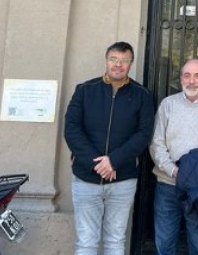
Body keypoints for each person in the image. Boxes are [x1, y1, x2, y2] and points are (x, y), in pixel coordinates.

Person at [63, 41, 155, 255]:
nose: (118, 65)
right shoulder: (85, 90)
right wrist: (99, 164)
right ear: (106, 60)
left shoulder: (142, 95)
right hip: (86, 178)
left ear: (131, 64)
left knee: (115, 240)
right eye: (114, 59)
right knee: (86, 241)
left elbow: (143, 134)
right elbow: (72, 129)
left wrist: (113, 160)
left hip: (122, 180)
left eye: (124, 61)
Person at [149, 59, 198, 255]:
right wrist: (175, 171)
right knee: (165, 243)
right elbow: (156, 144)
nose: (191, 81)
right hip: (168, 184)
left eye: (197, 76)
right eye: (187, 75)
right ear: (181, 79)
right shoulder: (167, 105)